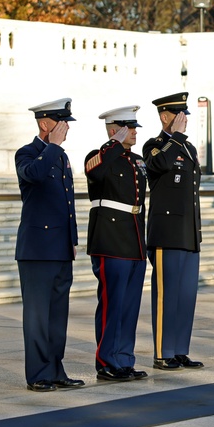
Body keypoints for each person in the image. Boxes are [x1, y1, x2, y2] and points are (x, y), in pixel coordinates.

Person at [14, 98, 84, 392]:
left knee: (57, 316)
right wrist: (52, 146)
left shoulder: (62, 157)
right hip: (37, 250)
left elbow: (67, 203)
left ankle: (56, 369)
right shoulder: (27, 153)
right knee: (37, 317)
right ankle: (38, 374)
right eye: (62, 122)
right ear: (45, 124)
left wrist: (73, 240)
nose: (66, 128)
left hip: (60, 248)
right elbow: (35, 175)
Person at [84, 106, 149, 382]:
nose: (134, 131)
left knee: (129, 305)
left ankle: (124, 359)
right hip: (110, 240)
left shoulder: (136, 160)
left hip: (134, 238)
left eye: (134, 127)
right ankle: (106, 361)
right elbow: (95, 173)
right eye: (128, 127)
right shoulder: (98, 157)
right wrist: (112, 144)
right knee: (112, 304)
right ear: (114, 130)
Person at [143, 92, 204, 371]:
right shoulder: (153, 146)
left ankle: (179, 350)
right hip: (167, 233)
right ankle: (162, 352)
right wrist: (175, 138)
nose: (185, 120)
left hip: (188, 232)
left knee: (186, 295)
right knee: (166, 295)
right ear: (166, 117)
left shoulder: (189, 149)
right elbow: (158, 166)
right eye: (180, 116)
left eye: (186, 115)